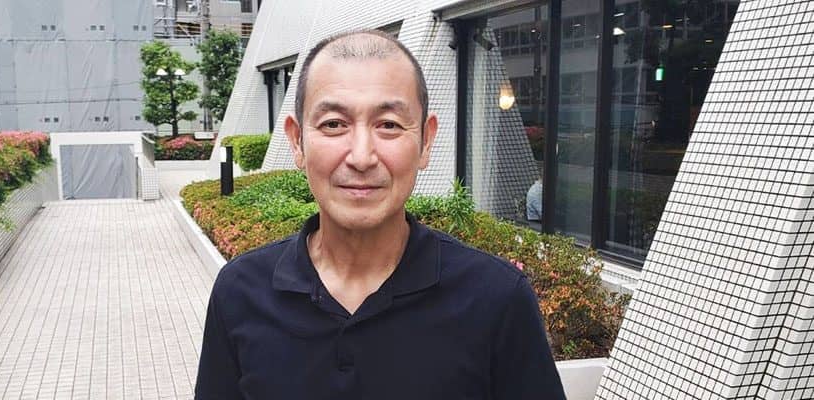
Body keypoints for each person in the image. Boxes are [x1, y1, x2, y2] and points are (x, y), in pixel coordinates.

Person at [195, 29, 565, 400]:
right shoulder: (239, 292)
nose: (361, 157)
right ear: (297, 141)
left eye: (388, 125)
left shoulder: (497, 299)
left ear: (426, 141)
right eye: (333, 124)